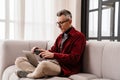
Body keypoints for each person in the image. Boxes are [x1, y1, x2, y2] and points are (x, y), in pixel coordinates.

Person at [15, 9, 86, 79]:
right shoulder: (60, 37)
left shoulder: (79, 37)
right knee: (19, 60)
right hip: (53, 63)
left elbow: (74, 59)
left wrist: (54, 55)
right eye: (58, 23)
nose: (59, 26)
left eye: (61, 23)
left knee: (44, 65)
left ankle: (30, 75)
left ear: (70, 21)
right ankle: (38, 72)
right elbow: (53, 50)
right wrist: (41, 51)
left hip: (65, 68)